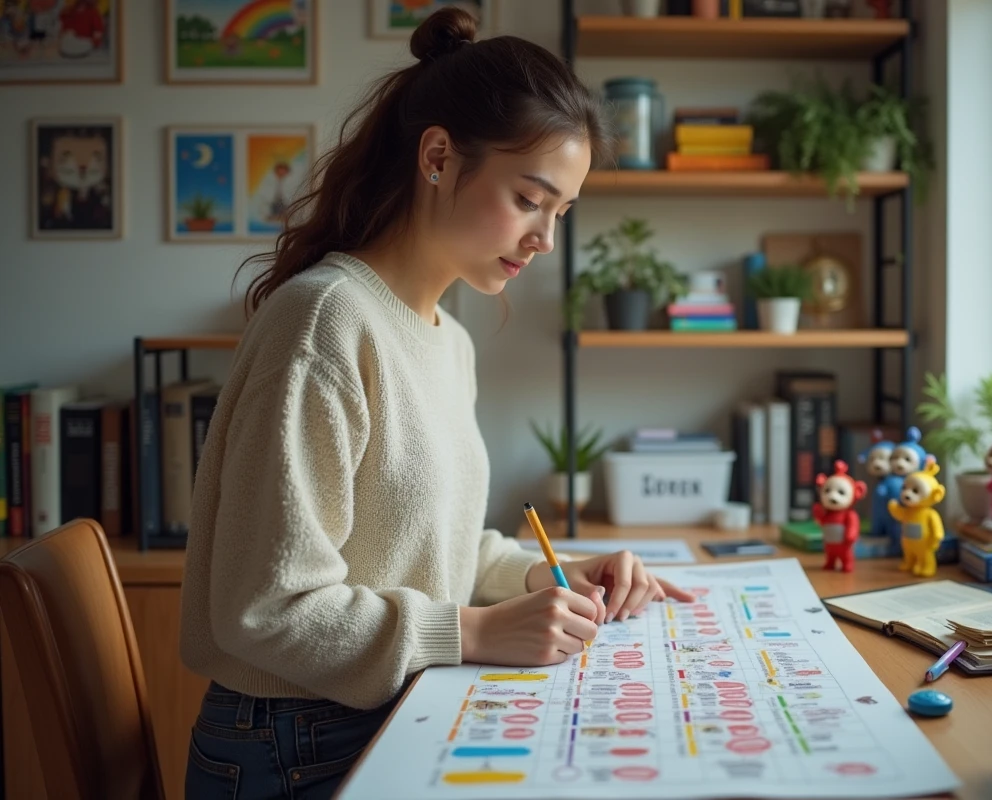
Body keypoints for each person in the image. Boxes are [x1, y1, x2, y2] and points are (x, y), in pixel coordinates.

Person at [178, 8, 695, 799]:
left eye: (561, 213)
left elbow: (435, 551)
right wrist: (477, 631)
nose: (544, 240)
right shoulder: (326, 321)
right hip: (296, 741)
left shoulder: (447, 339)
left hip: (385, 707)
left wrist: (548, 579)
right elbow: (265, 606)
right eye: (530, 199)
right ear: (439, 156)